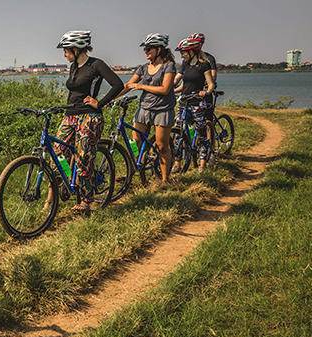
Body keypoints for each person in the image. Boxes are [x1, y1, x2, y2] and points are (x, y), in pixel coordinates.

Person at [53, 30, 124, 213]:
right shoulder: (73, 66)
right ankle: (63, 187)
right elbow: (73, 92)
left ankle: (85, 199)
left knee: (83, 157)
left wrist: (99, 103)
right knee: (58, 152)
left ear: (77, 49)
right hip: (71, 115)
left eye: (67, 50)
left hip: (90, 117)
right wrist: (66, 109)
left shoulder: (96, 65)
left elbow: (118, 84)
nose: (65, 54)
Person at [116, 33, 176, 185]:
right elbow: (128, 86)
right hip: (144, 108)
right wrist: (108, 99)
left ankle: (165, 180)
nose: (145, 51)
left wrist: (141, 86)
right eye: (145, 49)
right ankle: (135, 170)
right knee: (135, 140)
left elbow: (165, 89)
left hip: (163, 109)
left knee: (162, 146)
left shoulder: (168, 66)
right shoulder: (142, 68)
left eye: (149, 48)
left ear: (159, 49)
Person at [173, 37, 215, 172]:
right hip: (184, 101)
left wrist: (206, 92)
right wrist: (170, 89)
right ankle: (177, 164)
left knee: (201, 132)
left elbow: (211, 84)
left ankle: (202, 163)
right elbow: (182, 83)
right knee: (177, 132)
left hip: (197, 102)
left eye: (183, 52)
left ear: (192, 52)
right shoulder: (185, 65)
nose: (181, 55)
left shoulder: (204, 65)